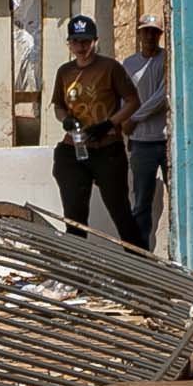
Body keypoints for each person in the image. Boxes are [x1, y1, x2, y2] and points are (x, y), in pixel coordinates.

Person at [50, 13, 142, 243]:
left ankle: (140, 262)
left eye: (86, 42)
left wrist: (110, 123)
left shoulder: (110, 67)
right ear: (69, 44)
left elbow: (133, 101)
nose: (81, 47)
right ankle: (77, 265)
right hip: (75, 147)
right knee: (74, 215)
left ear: (94, 41)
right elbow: (59, 106)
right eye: (76, 42)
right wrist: (66, 121)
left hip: (106, 148)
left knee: (120, 210)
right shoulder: (64, 71)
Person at [123, 16, 170, 245]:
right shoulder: (129, 64)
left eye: (155, 32)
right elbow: (125, 99)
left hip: (166, 141)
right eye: (146, 32)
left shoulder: (167, 60)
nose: (150, 36)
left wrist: (135, 117)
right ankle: (139, 255)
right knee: (141, 202)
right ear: (139, 34)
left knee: (179, 200)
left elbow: (163, 96)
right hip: (141, 142)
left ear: (160, 35)